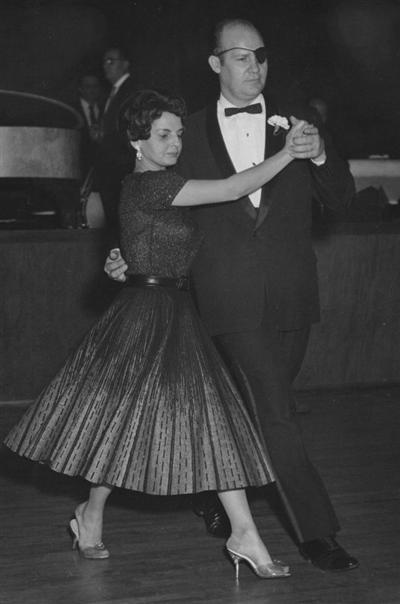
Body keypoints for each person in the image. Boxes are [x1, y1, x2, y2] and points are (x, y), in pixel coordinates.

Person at [4, 89, 316, 579]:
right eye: (163, 135)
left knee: (200, 421)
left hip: (175, 311)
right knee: (129, 424)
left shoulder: (161, 185)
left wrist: (124, 258)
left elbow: (153, 242)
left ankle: (241, 533)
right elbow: (233, 188)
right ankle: (95, 513)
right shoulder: (149, 185)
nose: (175, 143)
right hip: (144, 315)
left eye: (179, 134)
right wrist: (287, 153)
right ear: (137, 141)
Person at [105, 19, 359, 573]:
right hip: (225, 297)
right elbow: (153, 201)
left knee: (254, 409)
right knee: (275, 412)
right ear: (215, 64)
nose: (254, 66)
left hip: (293, 293)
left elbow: (341, 199)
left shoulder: (299, 124)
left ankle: (210, 487)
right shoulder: (184, 133)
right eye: (241, 56)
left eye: (260, 55)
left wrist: (319, 155)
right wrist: (131, 256)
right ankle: (317, 533)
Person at [96, 46, 136, 238]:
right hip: (110, 167)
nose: (106, 66)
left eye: (111, 61)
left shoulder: (131, 91)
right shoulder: (110, 93)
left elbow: (129, 128)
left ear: (125, 64)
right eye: (104, 62)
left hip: (121, 166)